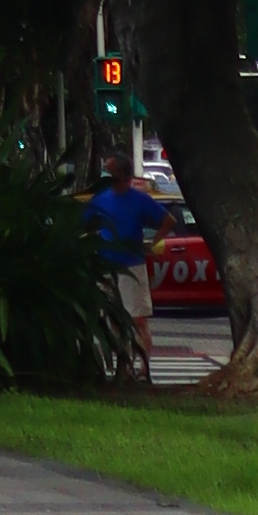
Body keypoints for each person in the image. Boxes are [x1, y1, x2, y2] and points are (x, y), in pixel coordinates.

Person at [85, 155, 163, 371]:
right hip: (107, 266)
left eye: (109, 171)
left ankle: (143, 366)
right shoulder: (100, 199)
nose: (105, 175)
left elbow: (166, 220)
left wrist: (151, 243)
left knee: (137, 318)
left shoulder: (139, 199)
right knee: (113, 319)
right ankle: (124, 364)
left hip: (132, 265)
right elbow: (84, 224)